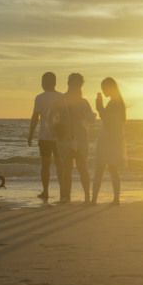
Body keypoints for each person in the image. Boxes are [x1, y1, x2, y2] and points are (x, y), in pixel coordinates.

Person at [27, 72, 64, 201]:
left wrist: (31, 134)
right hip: (60, 136)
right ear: (55, 82)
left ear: (43, 83)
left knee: (45, 165)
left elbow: (35, 117)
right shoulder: (62, 97)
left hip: (44, 135)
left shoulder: (40, 97)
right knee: (60, 165)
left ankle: (46, 191)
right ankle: (63, 192)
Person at [62, 73, 96, 204]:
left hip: (81, 138)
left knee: (82, 167)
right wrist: (56, 128)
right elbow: (53, 117)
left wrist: (82, 114)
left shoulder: (83, 102)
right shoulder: (62, 99)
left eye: (78, 84)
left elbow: (91, 120)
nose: (75, 86)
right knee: (67, 168)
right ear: (69, 84)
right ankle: (67, 197)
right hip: (65, 138)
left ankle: (87, 197)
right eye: (73, 83)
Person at [93, 77, 127, 205]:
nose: (103, 91)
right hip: (114, 139)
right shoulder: (118, 102)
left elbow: (106, 119)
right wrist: (101, 108)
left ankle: (94, 200)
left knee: (100, 168)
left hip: (108, 139)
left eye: (104, 88)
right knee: (112, 169)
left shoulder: (114, 102)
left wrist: (100, 107)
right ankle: (116, 200)